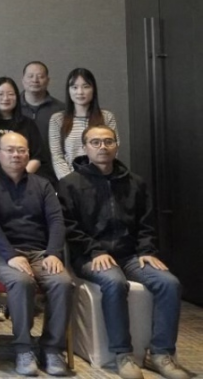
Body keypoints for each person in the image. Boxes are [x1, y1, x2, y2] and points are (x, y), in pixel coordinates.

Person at [59, 126, 189, 379]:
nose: (102, 147)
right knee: (114, 282)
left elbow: (146, 223)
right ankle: (123, 354)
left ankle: (161, 353)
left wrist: (147, 250)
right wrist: (94, 250)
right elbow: (68, 227)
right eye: (95, 142)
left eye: (108, 141)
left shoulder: (135, 183)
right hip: (90, 256)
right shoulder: (70, 184)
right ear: (85, 148)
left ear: (116, 146)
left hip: (130, 255)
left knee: (169, 283)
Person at [0, 131, 72, 376]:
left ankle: (52, 349)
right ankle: (23, 348)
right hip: (0, 254)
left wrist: (53, 253)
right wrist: (11, 255)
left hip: (40, 252)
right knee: (21, 281)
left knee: (62, 282)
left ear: (28, 154)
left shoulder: (42, 184)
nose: (16, 155)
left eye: (21, 150)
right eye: (10, 150)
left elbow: (56, 220)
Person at [0, 77, 51, 182]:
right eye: (0, 94)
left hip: (23, 183)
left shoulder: (28, 124)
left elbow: (37, 157)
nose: (6, 98)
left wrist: (18, 180)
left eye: (10, 94)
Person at [49, 68, 118, 180]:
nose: (80, 92)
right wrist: (70, 182)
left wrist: (101, 178)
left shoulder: (106, 117)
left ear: (93, 89)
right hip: (70, 181)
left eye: (86, 87)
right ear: (69, 90)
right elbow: (57, 156)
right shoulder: (58, 119)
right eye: (74, 87)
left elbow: (113, 149)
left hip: (102, 179)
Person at [19, 61, 64, 148]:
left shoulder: (60, 109)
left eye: (40, 76)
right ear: (23, 80)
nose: (35, 80)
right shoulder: (12, 106)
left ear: (48, 81)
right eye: (30, 76)